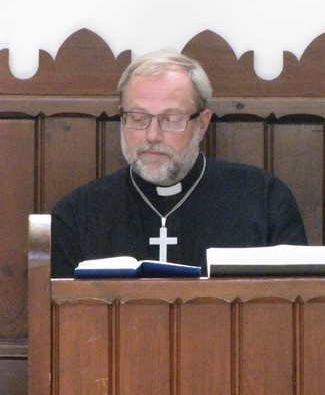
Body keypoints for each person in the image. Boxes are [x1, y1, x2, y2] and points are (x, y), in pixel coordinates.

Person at [51, 50, 307, 277]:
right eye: (138, 118)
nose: (152, 135)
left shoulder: (264, 201)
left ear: (202, 123)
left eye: (171, 119)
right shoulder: (77, 215)